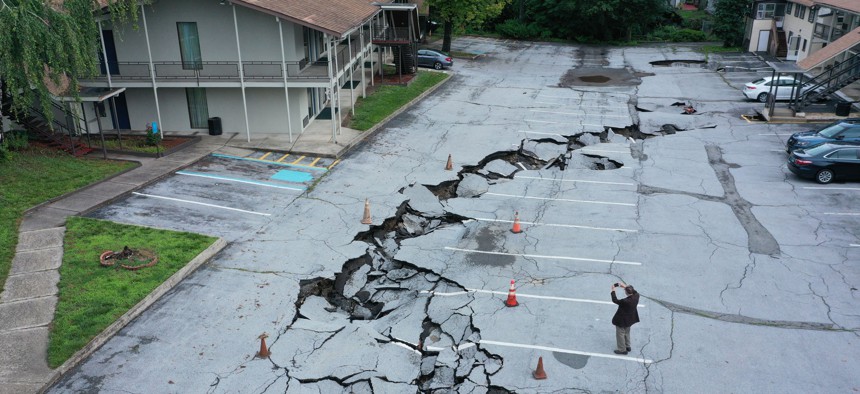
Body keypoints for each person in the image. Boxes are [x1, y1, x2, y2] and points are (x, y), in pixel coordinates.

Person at [611, 282, 639, 355]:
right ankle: (627, 346)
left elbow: (615, 300)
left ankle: (622, 350)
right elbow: (635, 291)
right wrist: (625, 287)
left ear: (626, 293)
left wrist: (613, 290)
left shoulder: (625, 301)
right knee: (627, 332)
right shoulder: (636, 296)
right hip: (630, 319)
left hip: (622, 320)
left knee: (620, 334)